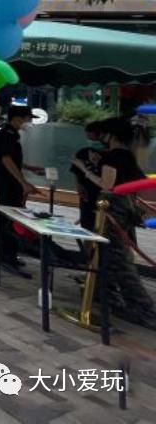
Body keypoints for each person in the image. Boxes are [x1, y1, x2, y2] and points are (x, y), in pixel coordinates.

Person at [72, 117, 156, 328]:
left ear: (111, 135)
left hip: (112, 213)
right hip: (125, 211)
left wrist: (83, 168)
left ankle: (142, 307)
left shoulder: (112, 158)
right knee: (107, 257)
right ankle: (104, 293)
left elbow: (106, 185)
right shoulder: (128, 156)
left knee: (117, 260)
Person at [0, 105, 45, 278]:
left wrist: (29, 168)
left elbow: (11, 158)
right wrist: (24, 182)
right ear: (17, 118)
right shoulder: (6, 134)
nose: (28, 122)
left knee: (10, 215)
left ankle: (8, 253)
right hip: (6, 182)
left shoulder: (11, 134)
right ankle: (5, 255)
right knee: (8, 216)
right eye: (27, 118)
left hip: (9, 181)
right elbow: (5, 159)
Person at [71, 121, 106, 231]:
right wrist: (78, 186)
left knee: (102, 225)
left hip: (102, 193)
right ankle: (87, 247)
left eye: (91, 137)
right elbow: (76, 171)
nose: (90, 141)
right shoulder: (83, 152)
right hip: (86, 193)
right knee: (87, 224)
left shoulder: (110, 154)